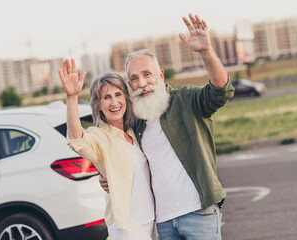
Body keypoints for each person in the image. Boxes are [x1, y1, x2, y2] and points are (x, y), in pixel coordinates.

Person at [99, 13, 235, 240]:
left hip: (198, 212)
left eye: (147, 74)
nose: (142, 83)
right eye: (134, 79)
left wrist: (206, 52)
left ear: (160, 75)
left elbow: (221, 92)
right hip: (163, 221)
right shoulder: (135, 121)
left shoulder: (186, 100)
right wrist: (108, 176)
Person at [58, 59, 156, 239]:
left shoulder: (131, 133)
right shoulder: (100, 136)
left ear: (125, 98)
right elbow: (77, 141)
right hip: (127, 227)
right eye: (106, 97)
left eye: (118, 94)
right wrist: (71, 98)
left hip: (148, 220)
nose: (114, 102)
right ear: (99, 105)